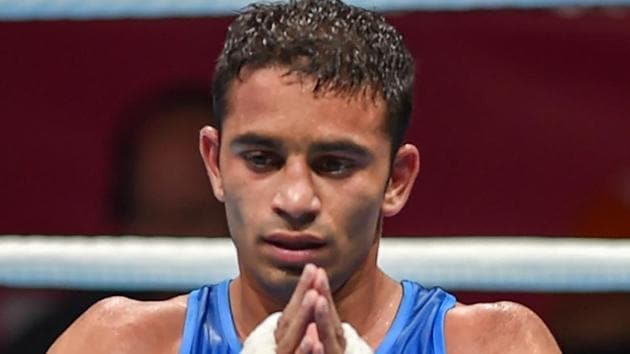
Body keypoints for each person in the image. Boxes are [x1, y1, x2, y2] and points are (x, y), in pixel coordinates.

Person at [48, 1, 561, 353]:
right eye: (262, 159)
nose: (295, 199)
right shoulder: (119, 342)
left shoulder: (493, 343)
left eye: (334, 164)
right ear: (215, 163)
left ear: (397, 179)